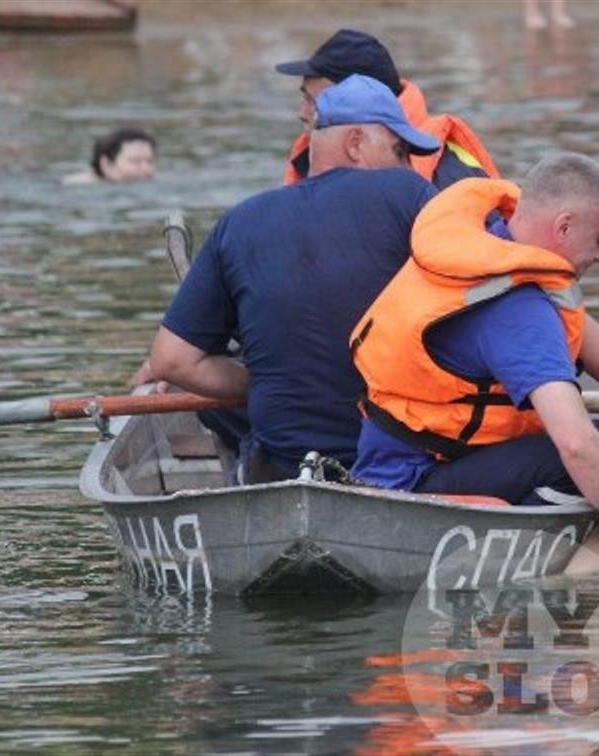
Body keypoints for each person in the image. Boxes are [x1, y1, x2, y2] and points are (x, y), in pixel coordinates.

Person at [350, 153, 599, 570]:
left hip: (389, 463)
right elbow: (577, 446)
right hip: (419, 485)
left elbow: (579, 324)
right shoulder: (519, 314)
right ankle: (588, 551)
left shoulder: (487, 246)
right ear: (563, 227)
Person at [143, 75, 441, 481]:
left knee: (223, 417)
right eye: (400, 150)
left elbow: (170, 360)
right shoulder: (410, 192)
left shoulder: (240, 219)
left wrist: (266, 379)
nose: (408, 165)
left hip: (282, 465)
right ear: (355, 143)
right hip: (393, 464)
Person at [274, 29, 499, 189]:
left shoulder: (452, 175)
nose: (302, 113)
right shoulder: (309, 157)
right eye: (304, 98)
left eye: (315, 102)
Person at [63, 127, 156, 184]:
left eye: (150, 161)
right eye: (135, 161)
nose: (146, 169)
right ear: (106, 164)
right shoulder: (77, 187)